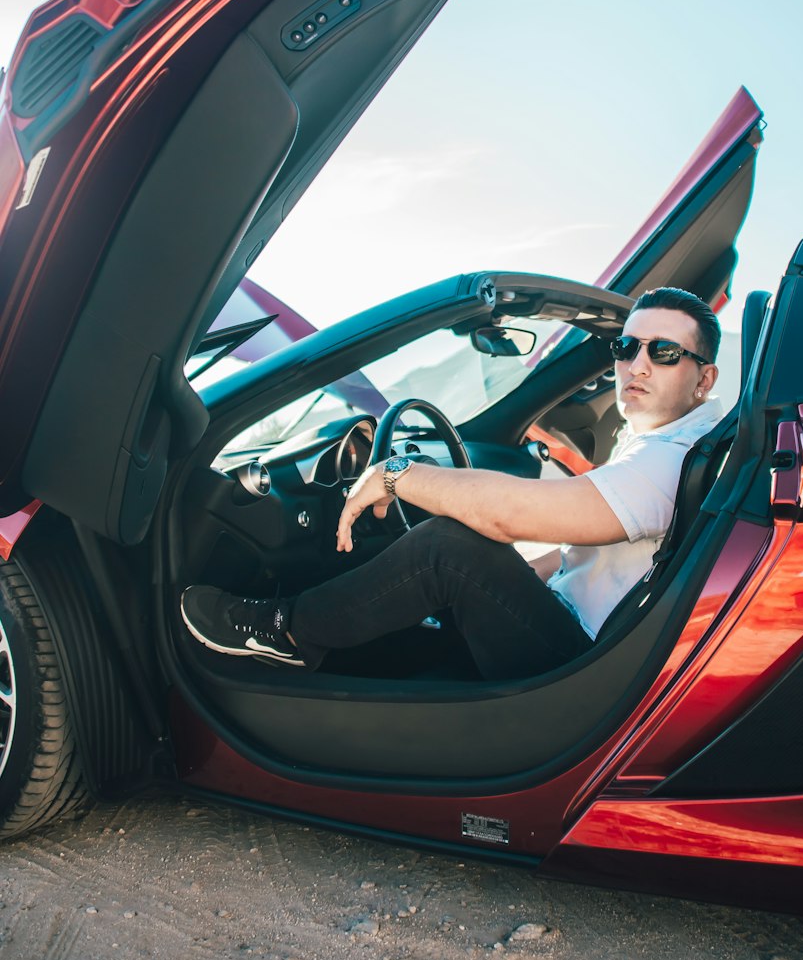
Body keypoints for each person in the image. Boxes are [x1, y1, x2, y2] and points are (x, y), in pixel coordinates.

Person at [181, 287, 722, 680]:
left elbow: (511, 516)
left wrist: (397, 473)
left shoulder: (671, 459)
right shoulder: (659, 443)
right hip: (579, 638)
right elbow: (572, 558)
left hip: (579, 667)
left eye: (665, 352)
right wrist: (494, 583)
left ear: (705, 378)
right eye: (627, 349)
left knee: (446, 549)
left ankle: (282, 630)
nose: (638, 365)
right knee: (461, 559)